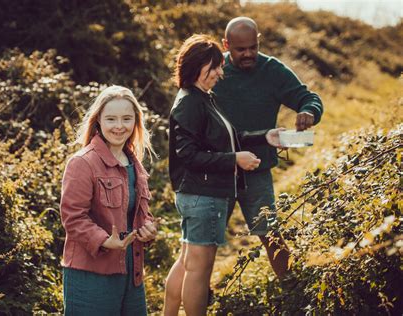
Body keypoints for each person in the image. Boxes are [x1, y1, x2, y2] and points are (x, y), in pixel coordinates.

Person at [164, 34, 284, 316]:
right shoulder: (190, 103)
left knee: (187, 262)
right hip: (201, 196)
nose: (221, 72)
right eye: (215, 67)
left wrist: (265, 136)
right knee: (199, 270)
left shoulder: (205, 98)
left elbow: (228, 137)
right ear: (197, 67)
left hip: (202, 194)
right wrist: (235, 161)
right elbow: (188, 156)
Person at [213, 17, 324, 279]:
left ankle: (290, 285)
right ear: (226, 45)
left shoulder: (272, 70)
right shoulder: (214, 70)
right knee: (206, 241)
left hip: (257, 169)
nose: (249, 54)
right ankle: (199, 293)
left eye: (253, 47)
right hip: (218, 168)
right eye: (240, 49)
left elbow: (308, 98)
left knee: (270, 232)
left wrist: (309, 111)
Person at [60, 85, 158, 315]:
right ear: (98, 121)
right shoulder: (83, 162)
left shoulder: (134, 162)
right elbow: (73, 218)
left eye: (126, 118)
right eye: (111, 119)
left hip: (131, 274)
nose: (119, 126)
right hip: (91, 275)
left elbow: (138, 211)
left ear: (135, 122)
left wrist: (148, 228)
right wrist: (104, 240)